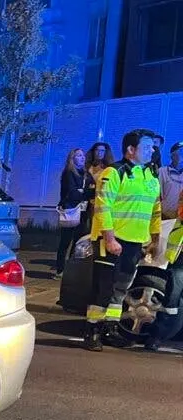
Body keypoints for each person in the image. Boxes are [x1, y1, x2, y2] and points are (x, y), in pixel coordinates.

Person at [84, 130, 163, 352]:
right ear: (131, 150)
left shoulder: (151, 176)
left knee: (121, 288)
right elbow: (102, 207)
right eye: (147, 146)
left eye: (152, 147)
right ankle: (92, 330)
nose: (152, 150)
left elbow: (155, 211)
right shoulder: (114, 172)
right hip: (111, 239)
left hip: (134, 242)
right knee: (103, 287)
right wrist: (109, 238)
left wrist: (153, 239)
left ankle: (110, 328)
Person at [55, 147, 93, 278]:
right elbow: (72, 193)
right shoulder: (68, 173)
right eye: (78, 155)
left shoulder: (86, 174)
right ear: (72, 158)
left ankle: (71, 269)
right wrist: (83, 193)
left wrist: (84, 192)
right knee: (65, 241)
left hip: (83, 211)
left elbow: (93, 190)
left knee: (78, 241)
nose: (82, 158)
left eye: (83, 155)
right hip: (71, 210)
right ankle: (60, 269)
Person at [159, 141, 183, 223]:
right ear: (172, 155)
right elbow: (157, 196)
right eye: (181, 151)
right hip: (164, 218)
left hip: (181, 221)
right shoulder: (162, 172)